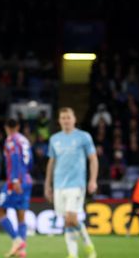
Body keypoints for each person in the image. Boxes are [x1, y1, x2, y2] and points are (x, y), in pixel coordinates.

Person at [45, 107, 98, 258]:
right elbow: (51, 162)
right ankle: (76, 252)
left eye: (68, 117)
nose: (66, 120)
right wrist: (47, 184)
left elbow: (93, 158)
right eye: (63, 118)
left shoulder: (83, 137)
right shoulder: (54, 139)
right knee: (67, 221)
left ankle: (86, 247)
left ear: (74, 119)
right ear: (59, 120)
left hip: (76, 184)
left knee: (71, 217)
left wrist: (93, 180)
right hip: (59, 185)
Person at [0, 118, 33, 257]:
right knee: (20, 215)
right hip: (27, 178)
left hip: (15, 180)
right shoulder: (25, 140)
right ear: (18, 126)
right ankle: (21, 252)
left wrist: (16, 179)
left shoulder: (11, 140)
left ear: (6, 127)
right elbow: (31, 161)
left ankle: (17, 241)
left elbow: (16, 158)